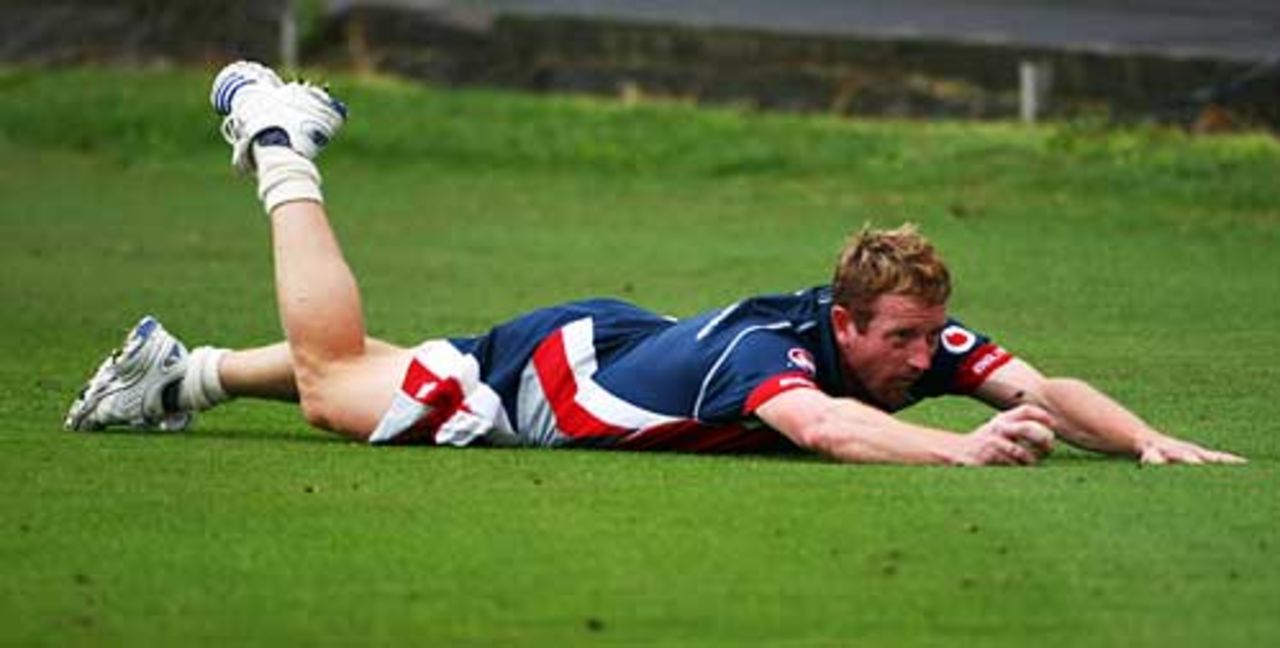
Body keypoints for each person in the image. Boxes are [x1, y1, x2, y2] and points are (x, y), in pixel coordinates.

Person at [64, 61, 1244, 467]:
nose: (917, 355)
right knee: (334, 386)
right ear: (843, 324)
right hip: (550, 383)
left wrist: (1137, 437)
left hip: (608, 336)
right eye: (893, 338)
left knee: (376, 364)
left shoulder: (905, 343)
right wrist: (962, 449)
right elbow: (827, 434)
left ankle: (180, 376)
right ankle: (281, 139)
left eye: (922, 337)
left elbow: (1044, 390)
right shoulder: (773, 356)